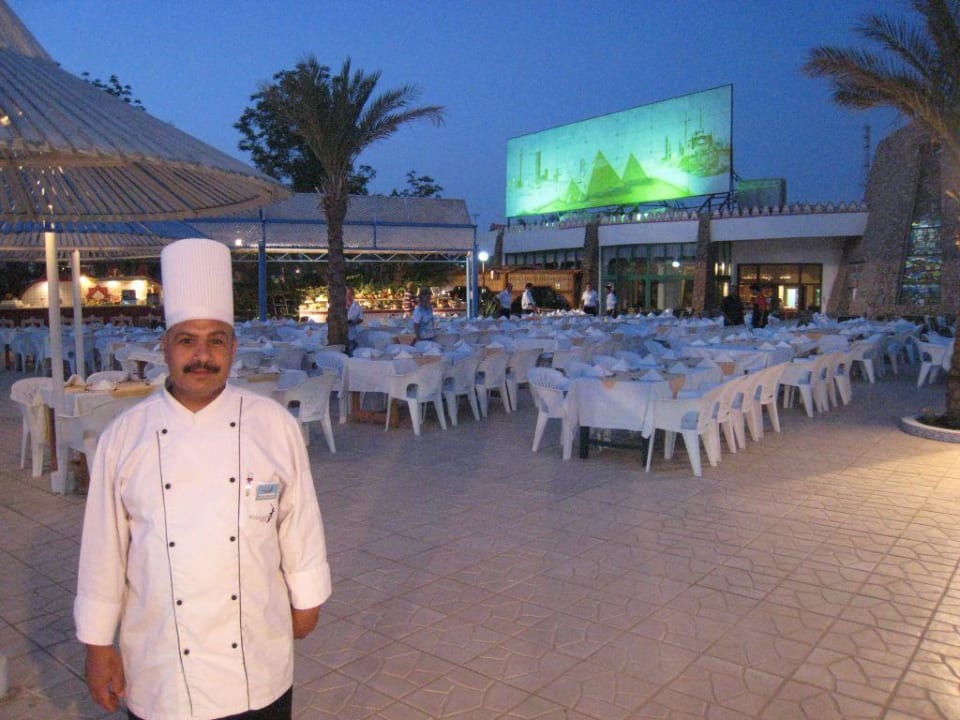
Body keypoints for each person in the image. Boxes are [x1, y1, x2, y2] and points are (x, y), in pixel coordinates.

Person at [74, 238, 331, 720]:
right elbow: (103, 548)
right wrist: (96, 643)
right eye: (187, 340)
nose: (202, 355)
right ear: (165, 348)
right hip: (162, 663)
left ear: (233, 348)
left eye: (216, 340)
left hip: (257, 656)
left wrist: (308, 595)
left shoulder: (272, 423)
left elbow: (299, 519)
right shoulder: (124, 437)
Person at [345, 285, 363, 354]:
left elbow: (361, 319)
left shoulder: (357, 306)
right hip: (340, 335)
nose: (348, 296)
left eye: (350, 294)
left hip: (352, 334)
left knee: (351, 353)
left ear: (353, 295)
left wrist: (354, 322)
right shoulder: (340, 306)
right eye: (346, 294)